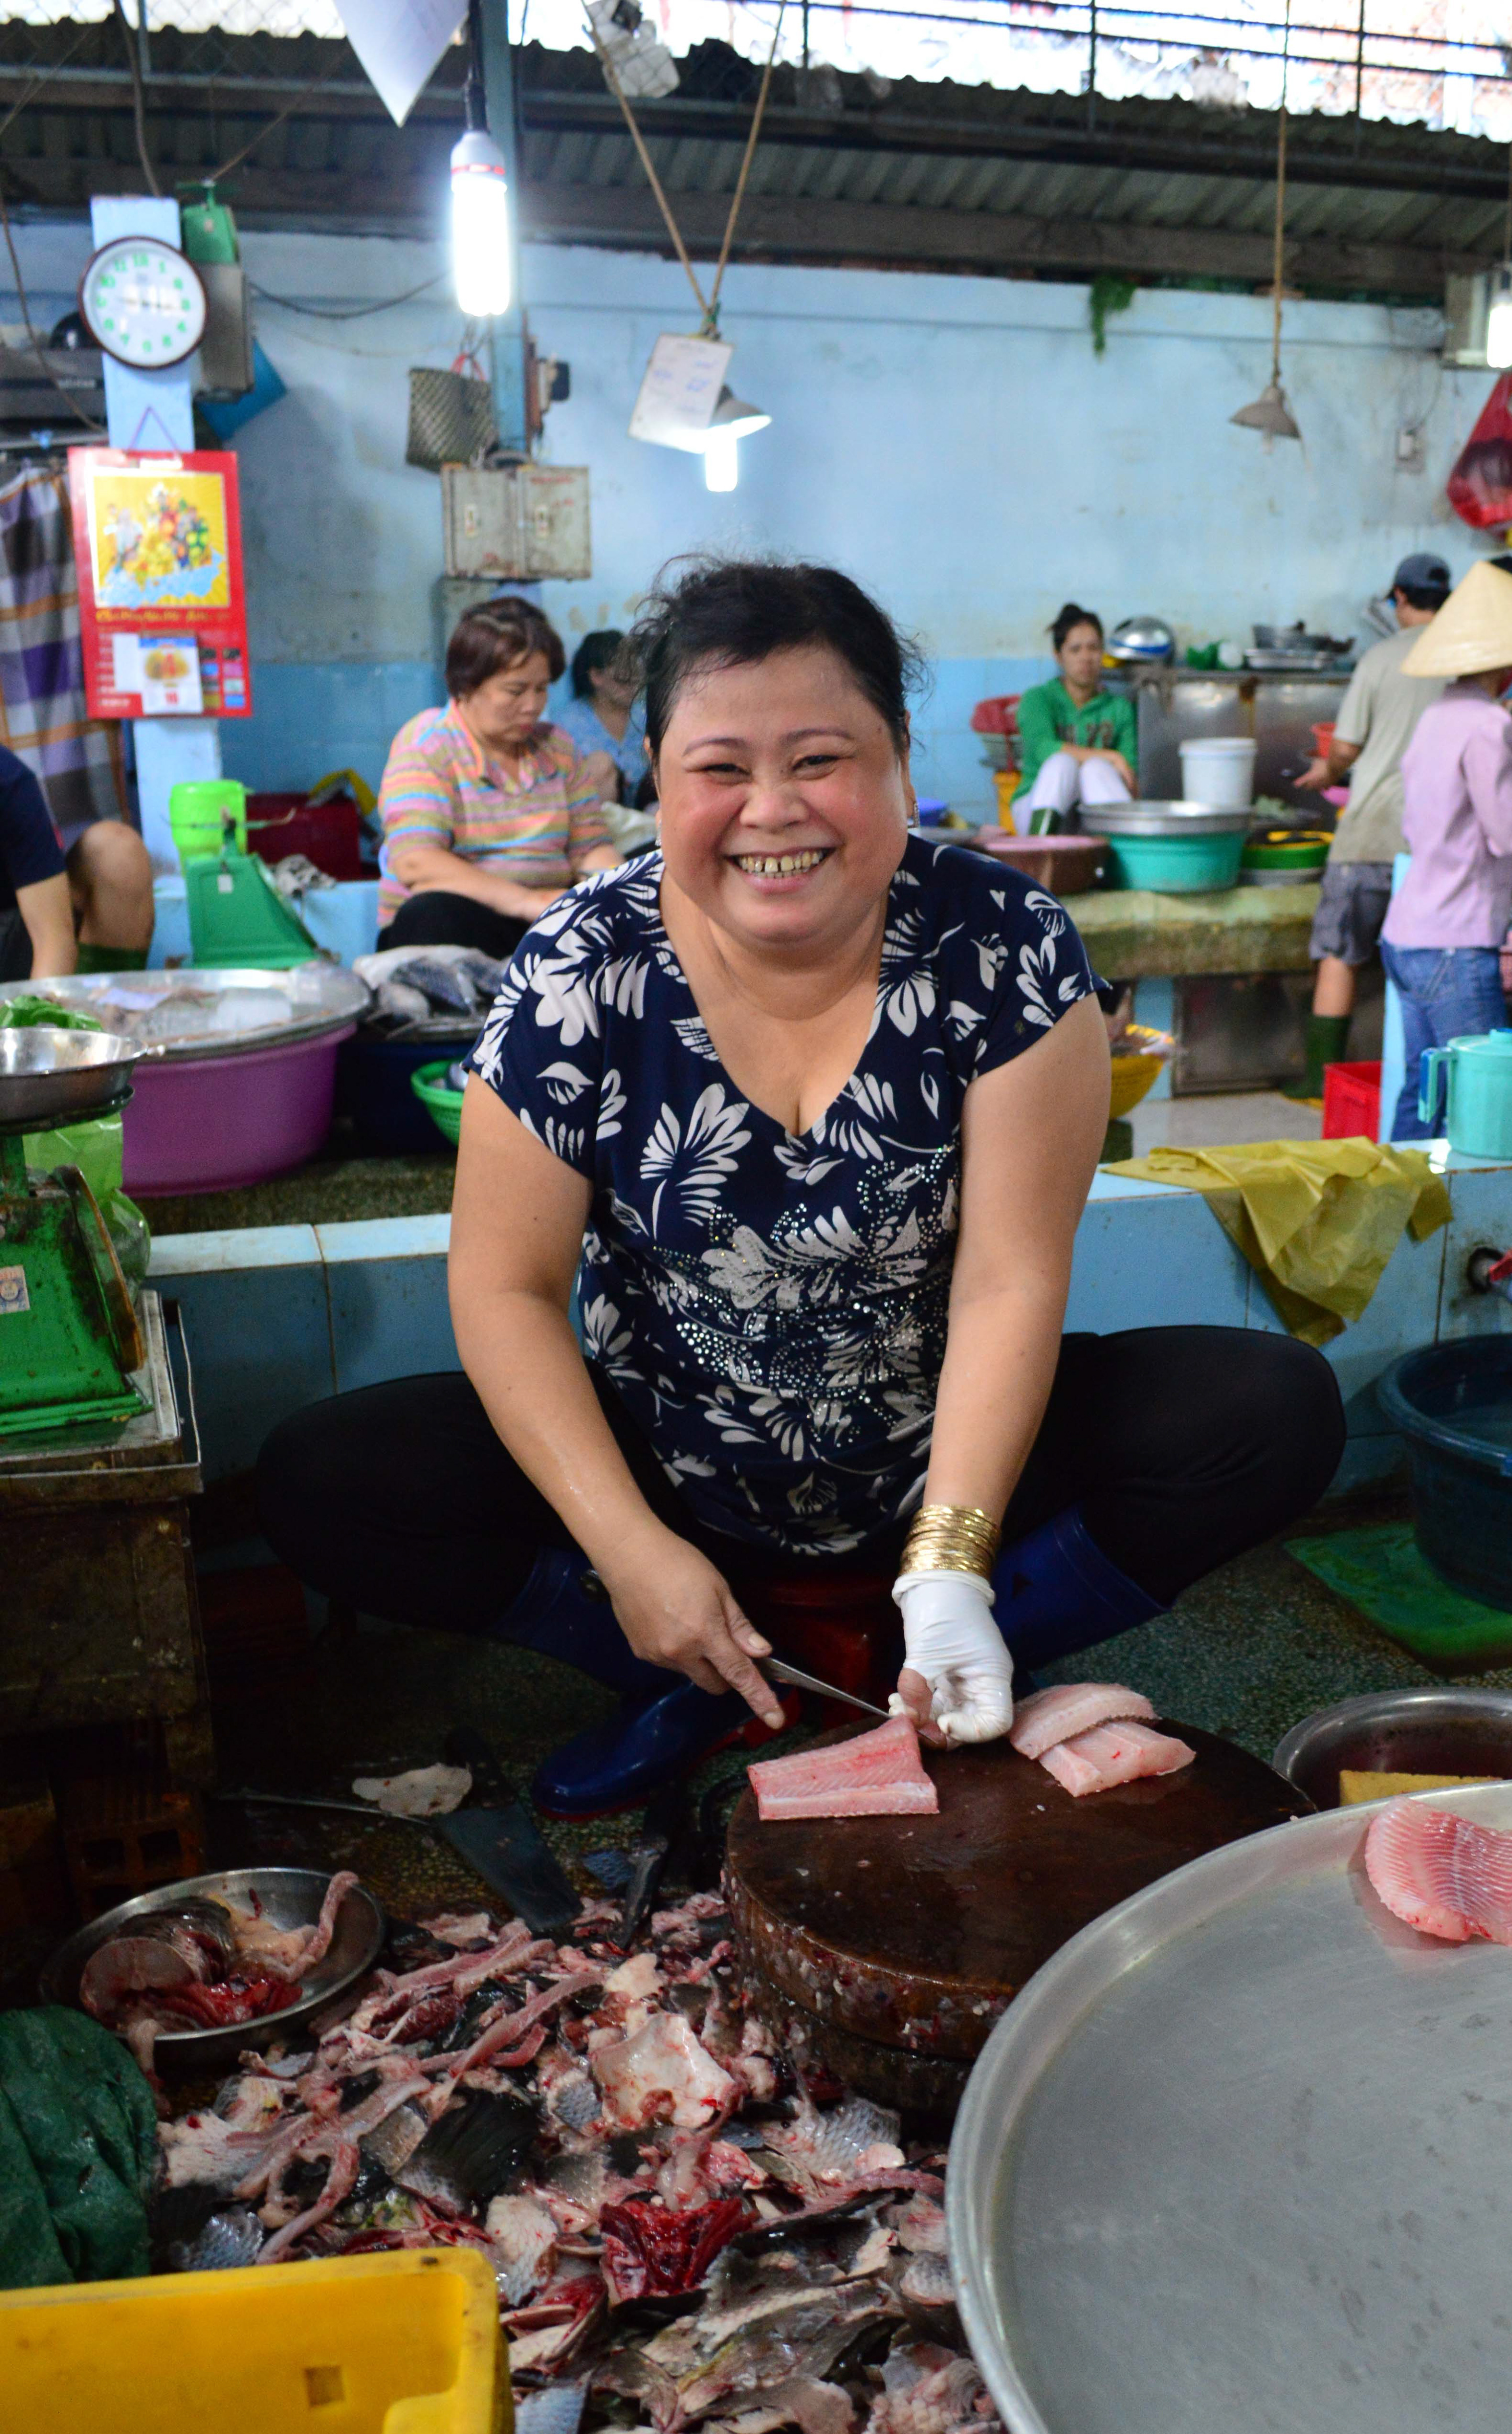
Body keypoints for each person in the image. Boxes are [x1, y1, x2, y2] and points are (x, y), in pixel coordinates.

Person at [257, 559, 1344, 1821]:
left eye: (821, 759)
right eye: (719, 769)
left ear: (894, 762)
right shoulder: (577, 964)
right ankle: (693, 1669)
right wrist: (627, 1550)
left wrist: (948, 1566)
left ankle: (935, 1648)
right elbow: (502, 1287)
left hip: (942, 1457)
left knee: (1270, 1409)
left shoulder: (1004, 947)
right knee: (322, 1476)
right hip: (669, 1461)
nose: (772, 810)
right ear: (654, 776)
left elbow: (1008, 1280)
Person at [1381, 559, 1512, 1141]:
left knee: (1425, 1093)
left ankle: (1396, 1216)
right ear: (1510, 660)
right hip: (1454, 939)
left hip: (1408, 933)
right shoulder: (1489, 728)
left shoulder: (1439, 716)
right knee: (1477, 1100)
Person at [376, 594, 621, 961]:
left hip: (544, 924)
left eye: (541, 689)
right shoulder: (428, 745)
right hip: (471, 924)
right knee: (429, 915)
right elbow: (417, 862)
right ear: (468, 684)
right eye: (515, 691)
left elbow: (590, 848)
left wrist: (623, 894)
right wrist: (528, 902)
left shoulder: (556, 747)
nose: (532, 705)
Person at [1295, 551, 1451, 1096]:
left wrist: (1327, 771)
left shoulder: (1381, 658)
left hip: (1369, 833)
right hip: (1434, 840)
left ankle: (1322, 1084)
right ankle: (1406, 1082)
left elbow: (1344, 747)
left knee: (1340, 954)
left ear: (1400, 599)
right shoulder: (1464, 661)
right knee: (1416, 965)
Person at [0, 744, 152, 980]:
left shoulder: (8, 780)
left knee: (118, 853)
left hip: (14, 942)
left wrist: (37, 1014)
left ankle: (103, 1009)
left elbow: (53, 942)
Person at [1011, 606, 1138, 833]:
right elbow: (1043, 748)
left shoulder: (1119, 708)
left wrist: (1107, 762)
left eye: (1093, 648)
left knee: (1096, 769)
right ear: (1059, 656)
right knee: (1062, 764)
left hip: (1092, 818)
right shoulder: (1038, 699)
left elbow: (1129, 773)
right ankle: (1040, 856)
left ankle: (1123, 857)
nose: (1086, 658)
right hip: (1035, 806)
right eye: (1075, 650)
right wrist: (1111, 756)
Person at [564, 629, 650, 806]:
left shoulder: (645, 716)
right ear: (596, 676)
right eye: (624, 682)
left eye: (637, 682)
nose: (633, 689)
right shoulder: (569, 725)